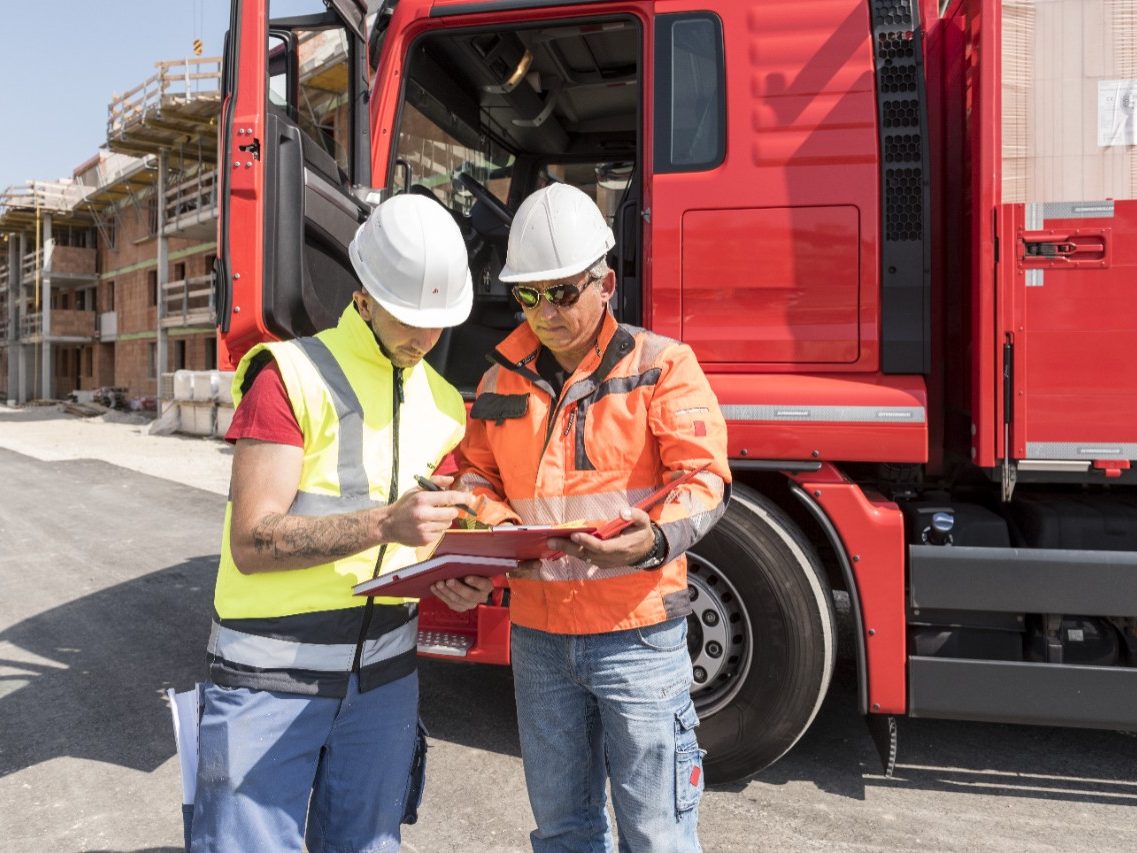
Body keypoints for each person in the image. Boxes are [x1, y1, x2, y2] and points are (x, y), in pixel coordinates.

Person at [190, 193, 495, 853]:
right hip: (268, 677)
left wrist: (455, 576)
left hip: (383, 682)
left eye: (437, 322)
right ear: (364, 294)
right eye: (409, 317)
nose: (423, 338)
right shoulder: (289, 376)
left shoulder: (443, 404)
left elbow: (429, 534)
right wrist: (385, 523)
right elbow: (253, 541)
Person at [446, 183, 731, 852]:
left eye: (562, 292)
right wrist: (487, 536)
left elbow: (704, 478)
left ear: (604, 283)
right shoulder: (497, 381)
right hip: (538, 636)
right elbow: (473, 473)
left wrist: (651, 540)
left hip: (635, 634)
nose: (545, 311)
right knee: (563, 830)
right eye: (528, 294)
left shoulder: (663, 367)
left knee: (656, 834)